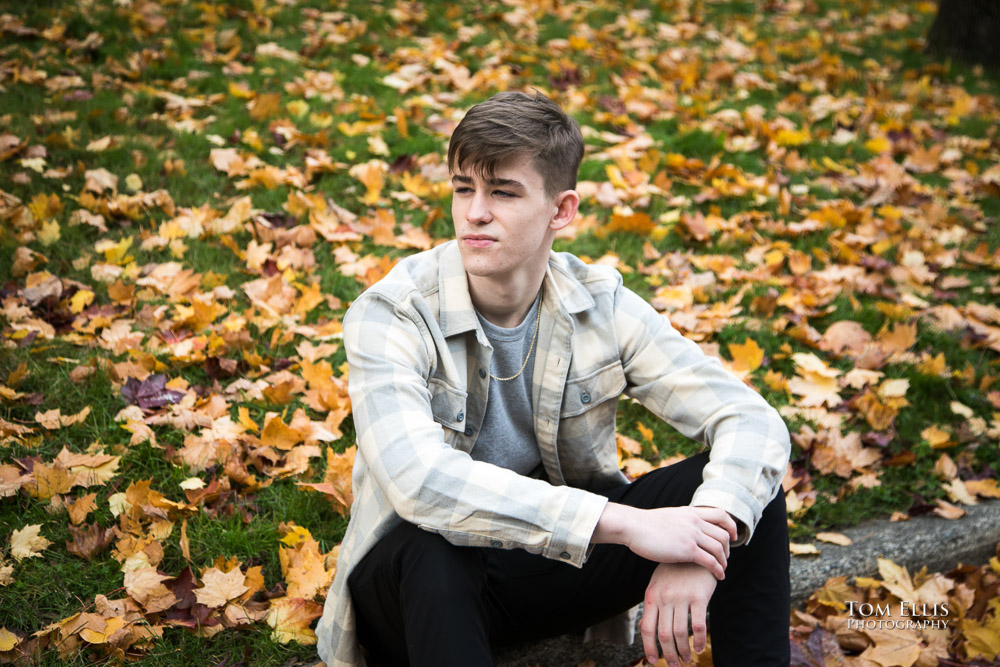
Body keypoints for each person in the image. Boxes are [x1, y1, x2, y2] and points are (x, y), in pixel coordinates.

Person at [315, 90, 791, 667]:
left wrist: (703, 540)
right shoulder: (393, 311)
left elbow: (752, 420)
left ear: (561, 210)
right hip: (416, 593)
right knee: (435, 548)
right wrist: (627, 525)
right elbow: (421, 482)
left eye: (503, 192)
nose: (475, 213)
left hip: (543, 568)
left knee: (743, 496)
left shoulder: (598, 302)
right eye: (464, 187)